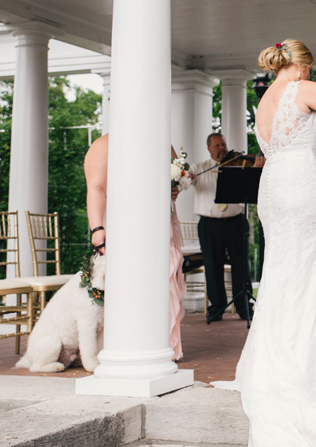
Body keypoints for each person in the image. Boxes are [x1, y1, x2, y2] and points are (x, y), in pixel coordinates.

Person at [214, 39, 316, 447]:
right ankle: (301, 366)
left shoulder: (265, 99)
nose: (313, 76)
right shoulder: (300, 88)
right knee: (305, 267)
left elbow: (287, 149)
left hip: (276, 186)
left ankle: (276, 359)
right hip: (300, 188)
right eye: (312, 68)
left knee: (284, 269)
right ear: (301, 66)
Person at [83, 134, 186, 361]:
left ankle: (164, 343)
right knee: (130, 282)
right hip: (124, 223)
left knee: (164, 278)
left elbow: (174, 176)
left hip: (160, 223)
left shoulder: (161, 141)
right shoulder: (103, 145)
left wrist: (173, 188)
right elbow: (96, 188)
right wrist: (97, 229)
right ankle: (127, 343)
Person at [188, 134, 252, 321]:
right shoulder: (199, 168)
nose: (221, 148)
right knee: (212, 265)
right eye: (217, 145)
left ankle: (244, 306)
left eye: (223, 144)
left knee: (241, 266)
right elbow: (187, 177)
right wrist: (187, 176)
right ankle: (217, 307)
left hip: (235, 222)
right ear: (209, 148)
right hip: (209, 224)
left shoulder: (237, 165)